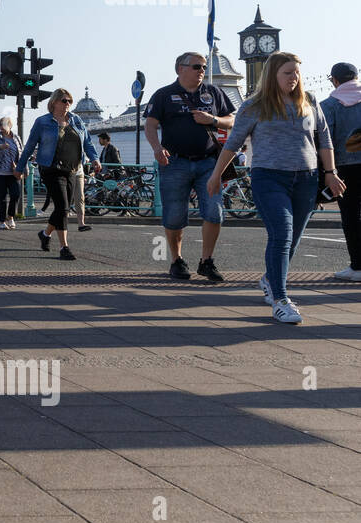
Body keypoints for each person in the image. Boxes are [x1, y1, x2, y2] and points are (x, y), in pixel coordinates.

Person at [207, 52, 345, 323]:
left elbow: (324, 139)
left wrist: (331, 173)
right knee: (281, 233)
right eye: (287, 73)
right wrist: (216, 176)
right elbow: (233, 143)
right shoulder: (254, 106)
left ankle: (270, 279)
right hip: (269, 178)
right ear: (273, 75)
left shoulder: (310, 101)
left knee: (292, 239)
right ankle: (281, 300)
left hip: (306, 178)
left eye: (296, 72)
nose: (294, 78)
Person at [144, 50, 236, 282]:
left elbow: (233, 120)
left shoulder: (213, 93)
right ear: (180, 69)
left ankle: (207, 261)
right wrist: (157, 148)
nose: (202, 71)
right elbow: (151, 124)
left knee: (214, 213)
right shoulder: (164, 94)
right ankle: (176, 260)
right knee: (174, 217)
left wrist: (213, 120)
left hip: (207, 162)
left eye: (203, 67)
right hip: (175, 161)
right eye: (197, 67)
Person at [14, 88, 101, 260]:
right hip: (50, 168)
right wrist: (20, 167)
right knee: (62, 207)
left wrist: (94, 159)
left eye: (69, 100)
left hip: (72, 169)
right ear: (54, 102)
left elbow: (88, 143)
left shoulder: (76, 120)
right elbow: (29, 146)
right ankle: (64, 247)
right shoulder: (43, 122)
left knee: (64, 208)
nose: (67, 103)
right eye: (64, 100)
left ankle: (45, 235)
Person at [320, 61, 361, 281]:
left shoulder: (329, 105)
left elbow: (325, 141)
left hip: (345, 168)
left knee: (351, 216)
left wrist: (327, 171)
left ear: (334, 80)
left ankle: (357, 266)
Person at [0, 117, 21, 230]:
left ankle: (11, 217)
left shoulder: (16, 138)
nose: (1, 127)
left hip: (12, 172)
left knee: (16, 194)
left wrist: (23, 170)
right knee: (1, 197)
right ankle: (2, 221)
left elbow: (21, 154)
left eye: (3, 124)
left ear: (10, 125)